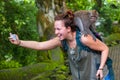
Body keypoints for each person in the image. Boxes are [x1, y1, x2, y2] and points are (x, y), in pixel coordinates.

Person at [9, 10, 114, 80]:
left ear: (68, 29)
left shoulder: (84, 38)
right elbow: (40, 45)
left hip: (102, 76)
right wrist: (20, 42)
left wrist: (100, 68)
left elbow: (104, 48)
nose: (55, 32)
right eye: (55, 29)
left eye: (58, 29)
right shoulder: (61, 41)